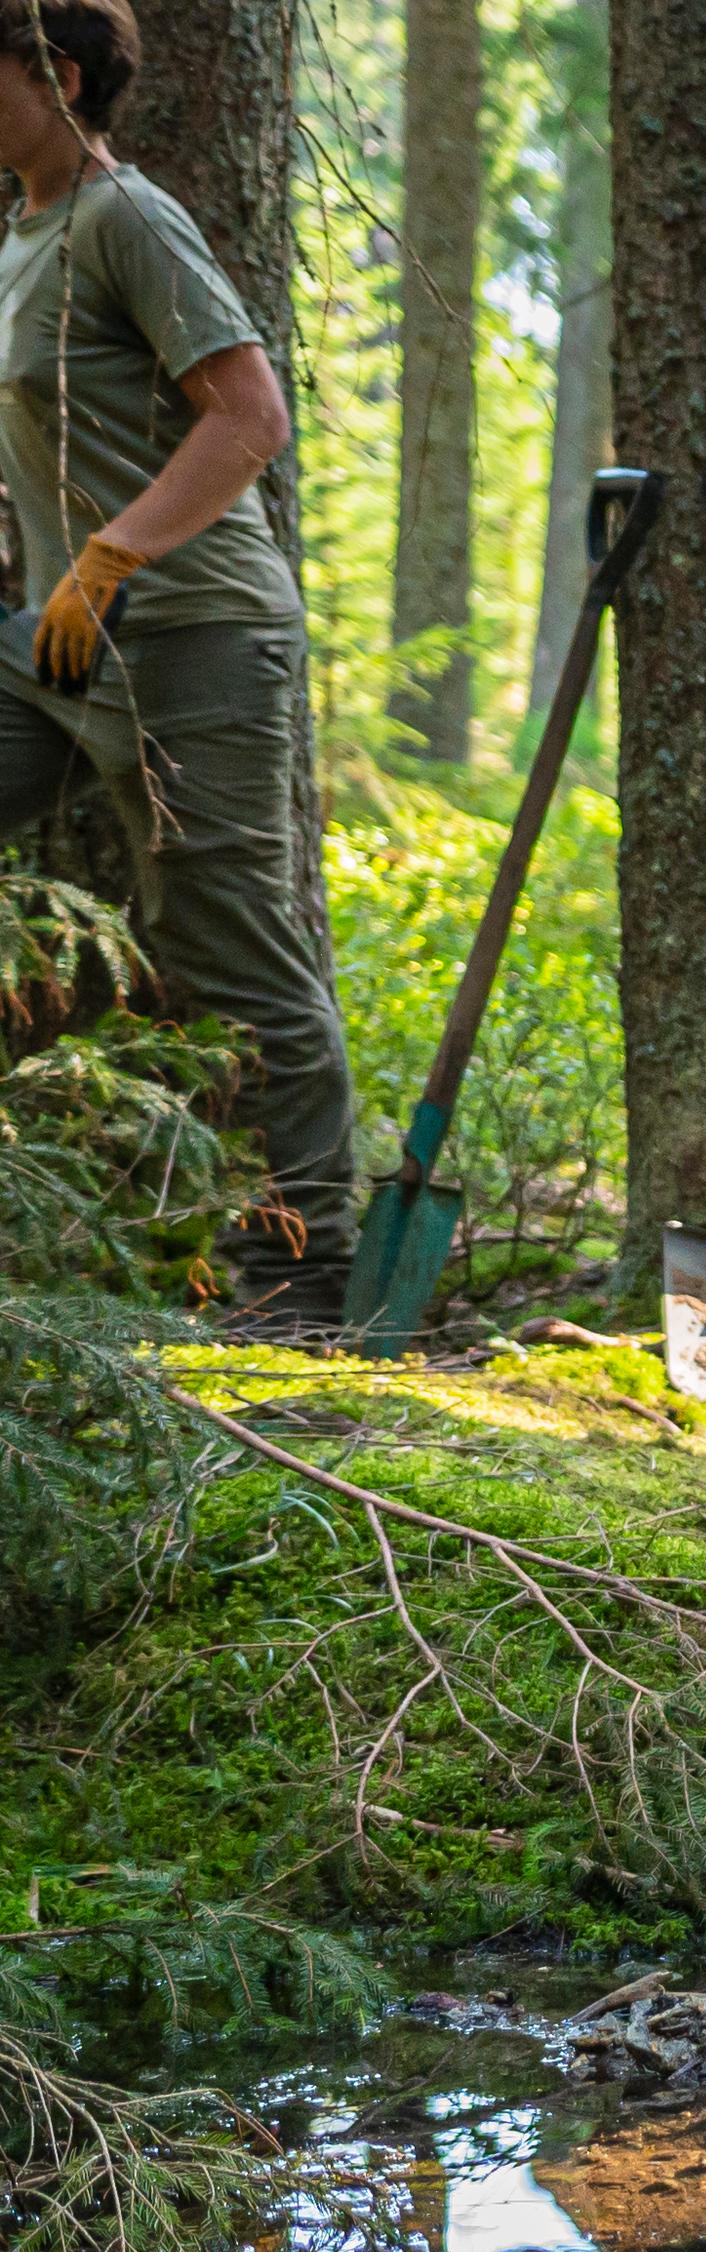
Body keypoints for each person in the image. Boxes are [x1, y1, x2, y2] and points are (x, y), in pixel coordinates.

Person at [0, 0, 353, 1323]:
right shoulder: (26, 234)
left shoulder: (124, 217)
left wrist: (110, 556)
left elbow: (249, 416)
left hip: (192, 639)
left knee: (235, 952)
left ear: (58, 73)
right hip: (54, 644)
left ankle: (305, 1277)